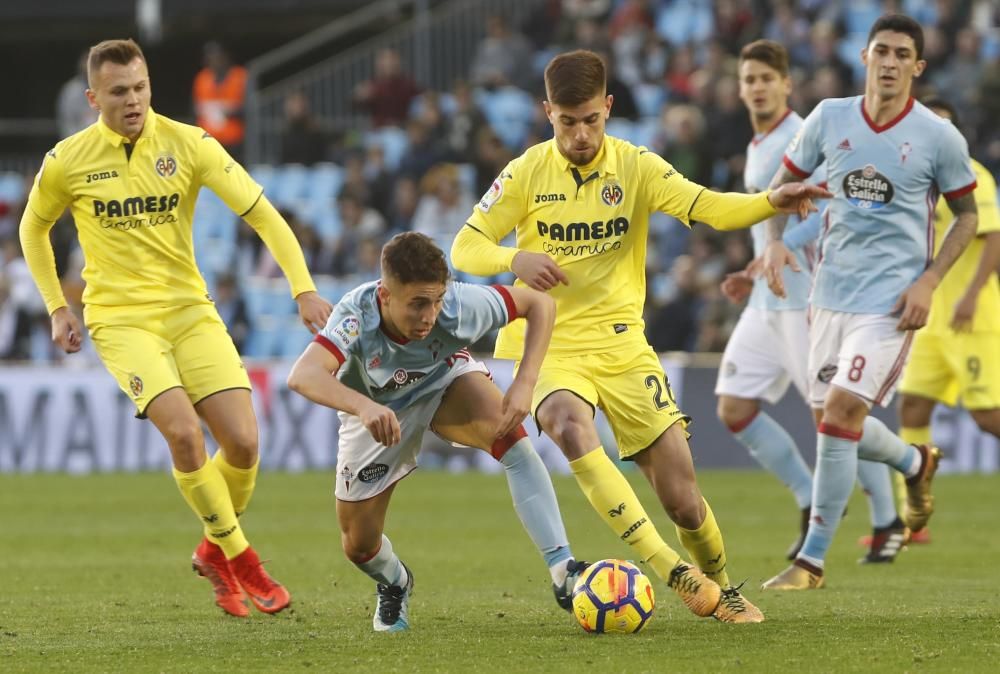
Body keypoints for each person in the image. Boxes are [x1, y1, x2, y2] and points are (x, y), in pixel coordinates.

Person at [451, 48, 829, 623]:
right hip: (546, 344)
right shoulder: (526, 172)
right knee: (567, 425)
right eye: (566, 121)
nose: (580, 135)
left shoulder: (637, 167)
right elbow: (465, 246)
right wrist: (515, 258)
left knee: (683, 498)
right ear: (546, 111)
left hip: (623, 344)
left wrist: (766, 203)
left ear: (608, 107)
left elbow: (707, 207)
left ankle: (722, 586)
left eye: (591, 120)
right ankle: (669, 568)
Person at [18, 39, 333, 617]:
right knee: (185, 435)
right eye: (118, 92)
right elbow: (32, 229)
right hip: (120, 319)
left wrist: (302, 286)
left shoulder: (188, 143)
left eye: (140, 87)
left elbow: (262, 211)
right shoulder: (68, 160)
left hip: (190, 310)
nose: (133, 100)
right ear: (94, 98)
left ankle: (212, 552)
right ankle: (242, 559)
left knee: (242, 442)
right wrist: (57, 306)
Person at [759, 14, 979, 590]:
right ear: (864, 56)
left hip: (889, 305)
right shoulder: (829, 118)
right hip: (828, 297)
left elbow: (970, 216)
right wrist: (777, 244)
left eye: (902, 54)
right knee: (834, 426)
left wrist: (929, 281)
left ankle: (811, 563)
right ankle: (914, 462)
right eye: (881, 51)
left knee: (839, 416)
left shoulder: (938, 136)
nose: (889, 62)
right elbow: (784, 185)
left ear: (917, 66)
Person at [286, 232, 586, 632]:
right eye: (418, 304)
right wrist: (363, 406)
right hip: (376, 412)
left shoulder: (458, 306)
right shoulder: (356, 316)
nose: (430, 315)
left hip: (442, 381)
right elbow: (303, 375)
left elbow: (540, 304)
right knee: (358, 545)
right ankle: (396, 583)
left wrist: (525, 383)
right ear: (385, 295)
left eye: (436, 300)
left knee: (512, 440)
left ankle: (562, 568)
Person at [716, 40, 905, 564]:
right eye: (748, 79)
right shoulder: (758, 145)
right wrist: (755, 266)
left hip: (807, 299)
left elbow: (829, 210)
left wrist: (781, 250)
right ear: (740, 87)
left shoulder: (806, 134)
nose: (756, 87)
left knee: (836, 416)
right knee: (733, 407)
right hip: (766, 299)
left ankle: (888, 514)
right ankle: (809, 498)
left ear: (786, 84)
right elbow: (768, 217)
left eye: (765, 78)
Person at [888, 96, 1000, 544]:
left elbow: (993, 239)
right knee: (912, 406)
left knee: (988, 417)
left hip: (971, 318)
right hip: (930, 320)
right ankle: (912, 522)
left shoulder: (974, 175)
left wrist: (971, 295)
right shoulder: (913, 180)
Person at [192, 41, 247, 160]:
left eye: (217, 56)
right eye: (210, 58)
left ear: (226, 56)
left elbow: (251, 107)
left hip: (235, 141)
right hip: (209, 141)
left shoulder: (240, 76)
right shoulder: (202, 78)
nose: (214, 61)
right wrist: (203, 109)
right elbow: (194, 107)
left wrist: (230, 110)